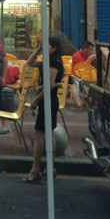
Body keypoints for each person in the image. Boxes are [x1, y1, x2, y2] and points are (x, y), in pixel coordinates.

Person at [23, 37, 65, 183]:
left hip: (48, 101)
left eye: (47, 45)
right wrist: (39, 49)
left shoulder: (54, 63)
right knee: (49, 133)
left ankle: (35, 171)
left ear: (54, 48)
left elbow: (49, 85)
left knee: (39, 134)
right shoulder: (48, 61)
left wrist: (36, 100)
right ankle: (49, 167)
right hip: (48, 101)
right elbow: (29, 62)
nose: (44, 47)